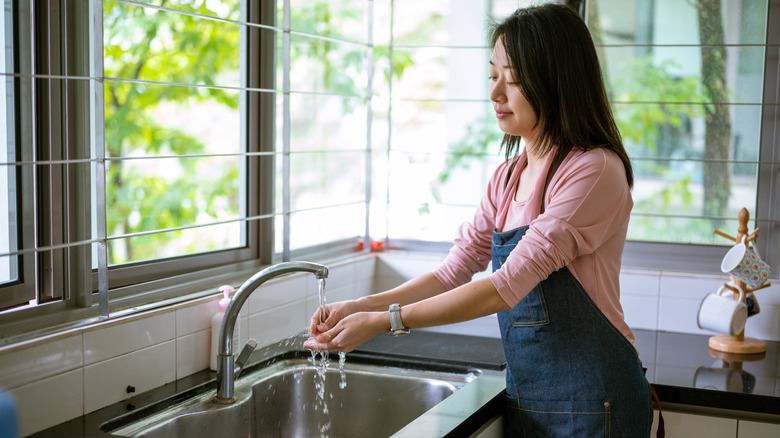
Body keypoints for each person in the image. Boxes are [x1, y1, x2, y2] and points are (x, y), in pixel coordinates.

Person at [304, 4, 653, 436]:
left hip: (597, 403)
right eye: (493, 76)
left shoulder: (593, 169)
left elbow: (504, 288)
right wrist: (360, 306)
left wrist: (383, 322)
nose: (495, 94)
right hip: (529, 402)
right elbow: (454, 272)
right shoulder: (507, 178)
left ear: (557, 81)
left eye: (515, 78)